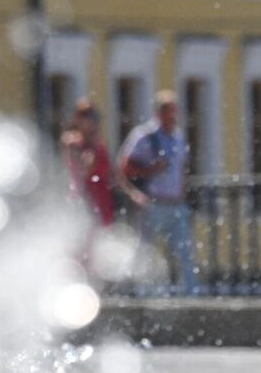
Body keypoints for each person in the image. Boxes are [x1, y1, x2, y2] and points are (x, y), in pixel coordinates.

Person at [118, 90, 198, 294]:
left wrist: (184, 195)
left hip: (175, 203)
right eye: (168, 111)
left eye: (174, 111)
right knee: (147, 251)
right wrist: (148, 173)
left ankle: (190, 295)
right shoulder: (145, 136)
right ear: (159, 113)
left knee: (185, 253)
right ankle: (144, 294)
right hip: (152, 203)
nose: (172, 116)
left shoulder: (178, 136)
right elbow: (124, 168)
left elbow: (181, 169)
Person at [60, 97, 116, 227]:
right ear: (77, 119)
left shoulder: (98, 144)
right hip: (82, 201)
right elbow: (85, 170)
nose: (92, 120)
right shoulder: (72, 142)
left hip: (101, 201)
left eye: (94, 116)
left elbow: (111, 172)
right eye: (86, 115)